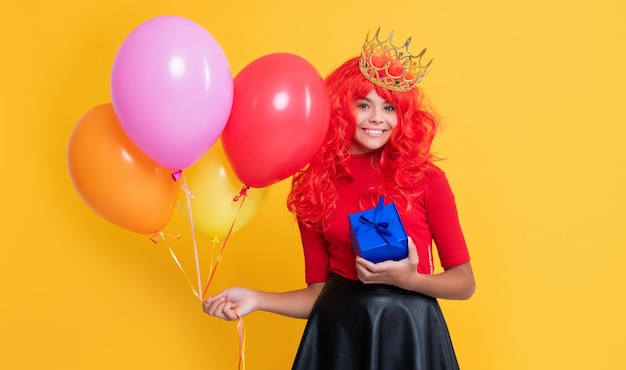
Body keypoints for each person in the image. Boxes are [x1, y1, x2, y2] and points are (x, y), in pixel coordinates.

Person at [203, 28, 475, 370]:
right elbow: (318, 294)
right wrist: (256, 299)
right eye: (363, 105)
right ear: (341, 108)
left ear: (403, 116)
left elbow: (464, 282)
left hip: (410, 331)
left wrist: (410, 280)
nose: (377, 118)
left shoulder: (426, 180)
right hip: (340, 332)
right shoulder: (315, 185)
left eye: (389, 107)